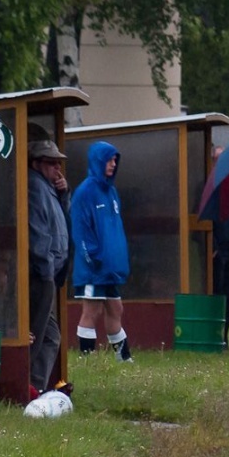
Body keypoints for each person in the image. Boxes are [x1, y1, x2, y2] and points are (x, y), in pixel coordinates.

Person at [70, 141, 133, 362]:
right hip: (93, 269)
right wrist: (92, 258)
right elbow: (80, 230)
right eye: (109, 160)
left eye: (115, 160)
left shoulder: (112, 192)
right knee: (92, 311)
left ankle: (123, 358)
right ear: (98, 160)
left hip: (109, 268)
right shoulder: (84, 192)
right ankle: (87, 359)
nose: (113, 164)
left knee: (116, 309)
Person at [27, 139, 71, 393]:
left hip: (50, 274)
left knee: (51, 336)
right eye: (51, 163)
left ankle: (34, 389)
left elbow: (63, 222)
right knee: (35, 337)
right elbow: (38, 233)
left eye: (59, 163)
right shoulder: (34, 187)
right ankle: (23, 389)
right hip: (40, 275)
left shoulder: (49, 188)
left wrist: (64, 194)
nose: (57, 168)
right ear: (36, 164)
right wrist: (46, 271)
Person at [211, 145, 229, 349]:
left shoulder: (228, 184)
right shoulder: (208, 185)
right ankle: (215, 334)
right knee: (218, 291)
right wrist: (212, 244)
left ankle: (225, 335)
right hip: (217, 246)